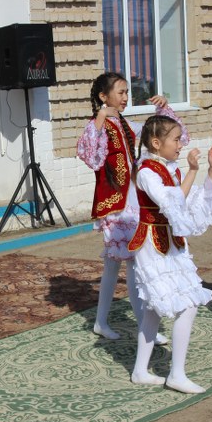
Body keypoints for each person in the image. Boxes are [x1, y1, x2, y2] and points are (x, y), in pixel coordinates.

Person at [77, 72, 188, 344]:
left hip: (131, 201)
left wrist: (163, 110)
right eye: (121, 92)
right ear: (103, 96)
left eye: (127, 92)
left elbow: (157, 135)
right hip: (115, 205)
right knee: (129, 264)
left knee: (122, 265)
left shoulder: (124, 125)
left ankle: (107, 322)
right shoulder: (99, 125)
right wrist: (101, 117)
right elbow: (90, 156)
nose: (126, 97)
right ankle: (135, 326)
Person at [129, 116, 212, 394]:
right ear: (156, 143)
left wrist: (211, 170)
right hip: (152, 243)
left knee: (154, 309)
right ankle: (176, 374)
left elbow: (192, 203)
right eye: (176, 139)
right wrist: (193, 171)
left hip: (171, 242)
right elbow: (170, 200)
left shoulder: (170, 170)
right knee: (187, 304)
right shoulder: (146, 172)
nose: (181, 144)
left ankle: (140, 371)